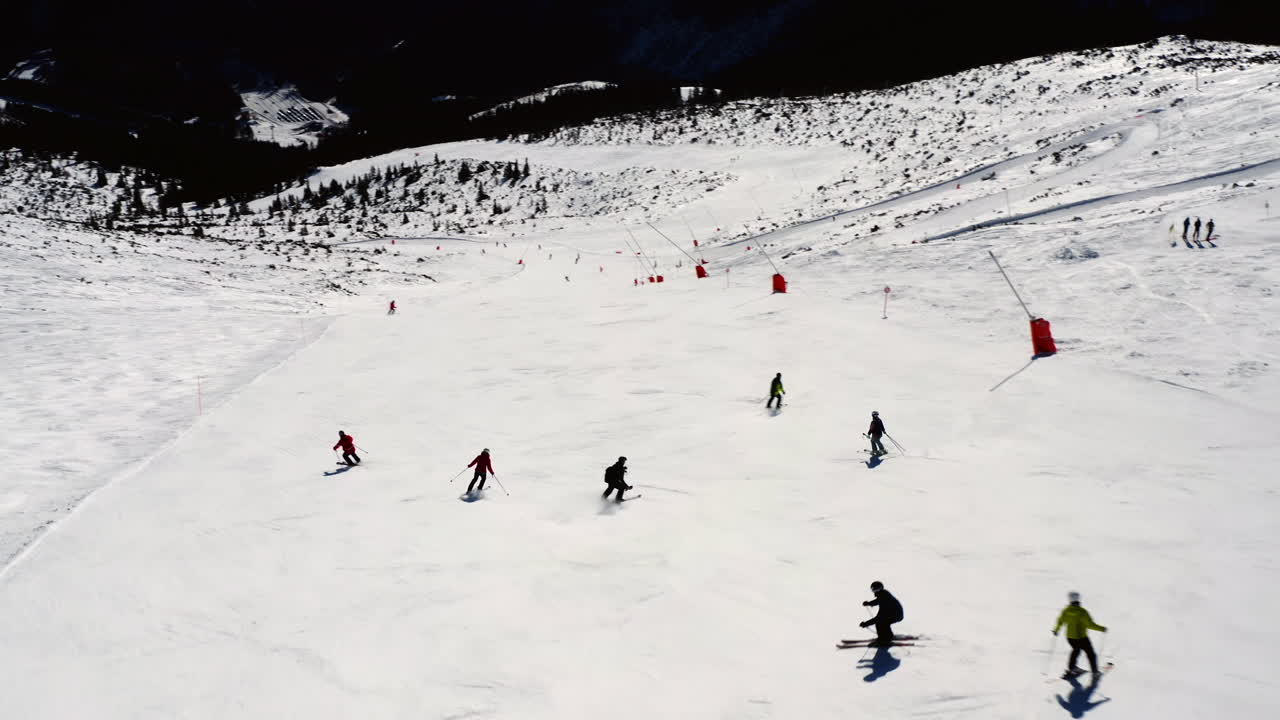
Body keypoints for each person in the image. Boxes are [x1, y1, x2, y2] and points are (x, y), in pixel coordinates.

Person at [1053, 591, 1108, 677]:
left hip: (1070, 637)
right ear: (1078, 599)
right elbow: (1090, 625)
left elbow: (1060, 621)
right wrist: (1102, 628)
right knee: (1090, 653)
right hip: (1082, 637)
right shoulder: (1082, 612)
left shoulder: (1066, 611)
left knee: (1076, 650)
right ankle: (1095, 672)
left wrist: (1056, 630)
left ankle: (1072, 668)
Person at [859, 581, 904, 645]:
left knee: (882, 622)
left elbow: (879, 617)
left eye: (876, 589)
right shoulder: (883, 595)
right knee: (882, 622)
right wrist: (869, 603)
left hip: (896, 615)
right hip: (895, 614)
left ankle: (885, 639)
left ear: (881, 588)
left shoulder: (884, 598)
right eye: (873, 589)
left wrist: (866, 624)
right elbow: (877, 601)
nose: (875, 591)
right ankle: (886, 637)